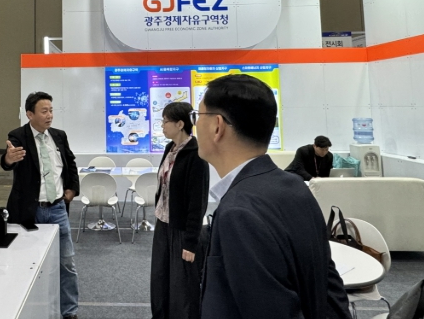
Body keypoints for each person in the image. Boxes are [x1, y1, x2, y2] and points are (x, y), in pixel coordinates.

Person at [193, 74, 351, 319]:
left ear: (217, 126)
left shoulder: (239, 213)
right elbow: (328, 283)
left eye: (197, 116)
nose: (195, 125)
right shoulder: (294, 186)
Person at [1, 91, 80, 319]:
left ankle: (69, 312)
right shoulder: (18, 136)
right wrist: (9, 159)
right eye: (44, 111)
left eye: (51, 110)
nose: (49, 115)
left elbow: (70, 162)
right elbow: (8, 161)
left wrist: (72, 189)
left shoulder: (59, 136)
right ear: (30, 114)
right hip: (30, 210)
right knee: (27, 262)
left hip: (57, 209)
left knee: (66, 263)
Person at [150, 102, 209, 319]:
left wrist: (191, 242)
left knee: (181, 285)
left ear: (180, 124)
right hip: (163, 223)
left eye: (165, 121)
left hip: (182, 229)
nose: (162, 126)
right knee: (160, 278)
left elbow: (197, 201)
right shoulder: (170, 149)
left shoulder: (196, 154)